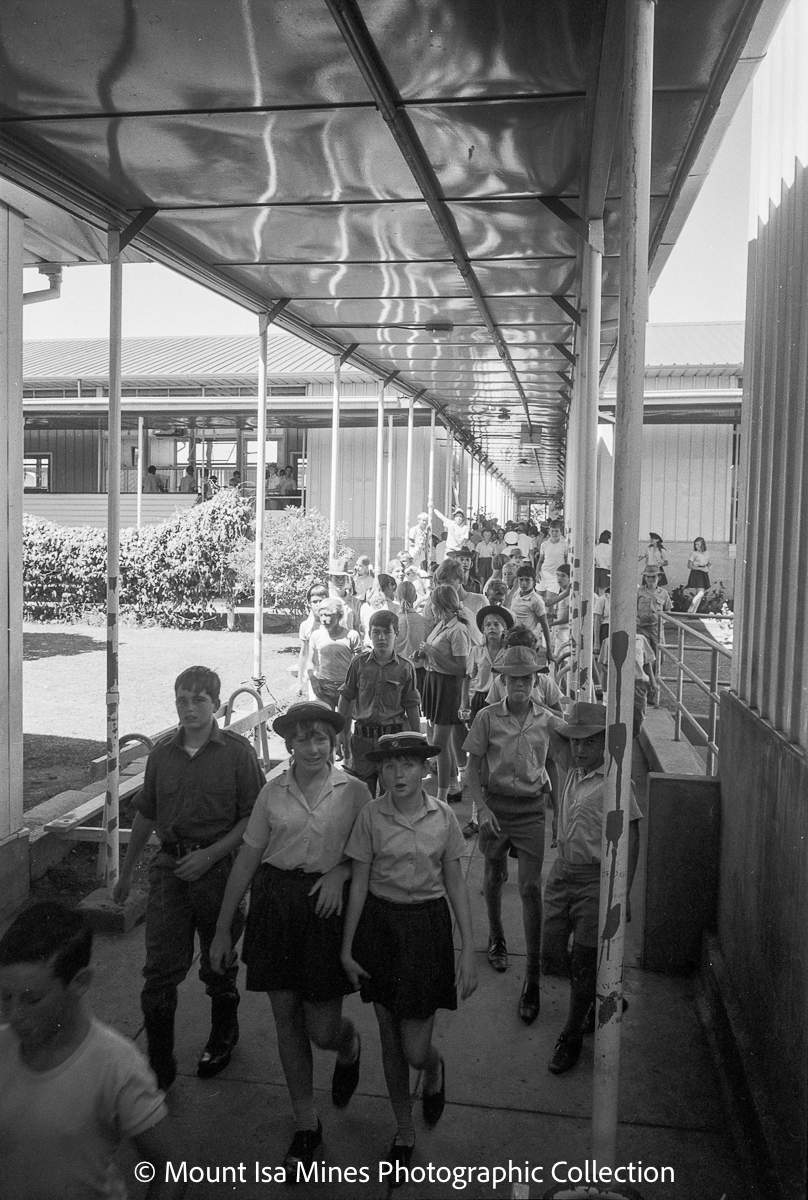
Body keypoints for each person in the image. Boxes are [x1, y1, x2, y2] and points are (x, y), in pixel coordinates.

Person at [209, 703, 370, 1174]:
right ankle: (306, 1122)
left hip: (325, 908)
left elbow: (370, 853)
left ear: (333, 743)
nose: (313, 747)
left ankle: (348, 1045)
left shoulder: (355, 792)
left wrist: (341, 871)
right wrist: (223, 929)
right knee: (286, 1019)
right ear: (289, 745)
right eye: (303, 739)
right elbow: (247, 859)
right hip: (276, 904)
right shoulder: (271, 792)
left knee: (321, 1028)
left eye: (321, 738)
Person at [113, 666, 264, 1090]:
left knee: (218, 962)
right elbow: (147, 811)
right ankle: (159, 1062)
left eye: (199, 700)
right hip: (171, 871)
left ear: (216, 705)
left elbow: (252, 816)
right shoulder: (162, 754)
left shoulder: (237, 753)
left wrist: (213, 854)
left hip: (219, 872)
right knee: (160, 970)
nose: (190, 708)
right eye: (182, 699)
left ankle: (223, 1035)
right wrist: (127, 873)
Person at [340, 732, 477, 1171]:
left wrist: (468, 949)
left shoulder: (443, 818)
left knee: (415, 1048)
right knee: (389, 1039)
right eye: (389, 766)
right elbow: (358, 884)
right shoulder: (369, 817)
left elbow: (455, 882)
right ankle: (404, 1130)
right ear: (379, 771)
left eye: (408, 765)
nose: (398, 774)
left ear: (426, 770)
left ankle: (433, 1071)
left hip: (425, 931)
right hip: (381, 928)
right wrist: (347, 947)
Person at [0, 902, 185, 1200]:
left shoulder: (118, 1067)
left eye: (30, 999)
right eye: (4, 996)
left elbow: (172, 1168)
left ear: (80, 983)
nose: (12, 1015)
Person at [464, 646, 563, 1023]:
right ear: (501, 681)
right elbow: (471, 771)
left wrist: (560, 813)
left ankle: (533, 978)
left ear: (535, 681)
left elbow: (553, 765)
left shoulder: (548, 720)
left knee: (530, 888)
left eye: (526, 678)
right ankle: (496, 936)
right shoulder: (487, 718)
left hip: (532, 810)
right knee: (494, 872)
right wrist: (482, 809)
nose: (519, 684)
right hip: (496, 808)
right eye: (512, 678)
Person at [542, 703, 642, 1075]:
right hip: (562, 873)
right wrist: (571, 725)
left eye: (589, 742)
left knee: (584, 960)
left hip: (592, 880)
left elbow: (631, 834)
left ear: (605, 742)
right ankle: (598, 992)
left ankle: (571, 1035)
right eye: (575, 742)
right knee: (550, 952)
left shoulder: (616, 781)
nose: (579, 749)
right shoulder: (571, 766)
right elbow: (553, 727)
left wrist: (623, 893)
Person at [337, 608, 421, 795]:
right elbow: (346, 697)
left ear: (396, 634)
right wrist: (341, 732)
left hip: (391, 742)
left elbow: (412, 705)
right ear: (369, 634)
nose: (381, 638)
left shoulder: (406, 668)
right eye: (376, 632)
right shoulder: (358, 664)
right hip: (362, 740)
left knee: (391, 795)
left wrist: (416, 740)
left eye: (387, 632)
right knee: (360, 793)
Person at [416, 584, 471, 803]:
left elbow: (461, 669)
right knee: (441, 740)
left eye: (434, 604)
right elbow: (434, 651)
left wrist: (432, 653)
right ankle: (453, 785)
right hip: (434, 681)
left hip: (448, 686)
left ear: (442, 605)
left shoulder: (458, 630)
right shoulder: (442, 625)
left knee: (439, 742)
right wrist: (424, 653)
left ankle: (442, 794)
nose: (431, 608)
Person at [307, 597, 362, 709]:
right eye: (321, 615)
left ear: (339, 616)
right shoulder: (316, 636)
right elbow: (310, 662)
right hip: (324, 688)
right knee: (324, 722)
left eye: (328, 615)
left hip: (345, 687)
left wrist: (356, 686)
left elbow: (359, 664)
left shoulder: (351, 636)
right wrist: (312, 679)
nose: (323, 619)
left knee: (344, 722)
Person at [508, 564, 554, 667]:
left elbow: (545, 625)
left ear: (533, 581)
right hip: (512, 639)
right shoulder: (516, 594)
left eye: (527, 580)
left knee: (526, 671)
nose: (524, 583)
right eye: (521, 580)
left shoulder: (536, 600)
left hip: (527, 642)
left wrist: (549, 650)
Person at [297, 582, 329, 698]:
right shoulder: (306, 626)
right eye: (315, 602)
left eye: (321, 600)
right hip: (314, 672)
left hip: (333, 671)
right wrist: (300, 681)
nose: (318, 605)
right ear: (309, 604)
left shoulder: (334, 624)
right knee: (316, 707)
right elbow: (303, 655)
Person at [636, 564, 672, 656]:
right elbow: (632, 609)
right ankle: (647, 671)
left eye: (653, 577)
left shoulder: (663, 593)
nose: (650, 579)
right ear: (644, 578)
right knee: (644, 654)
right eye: (648, 577)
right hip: (641, 628)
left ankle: (657, 670)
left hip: (656, 628)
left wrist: (662, 620)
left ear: (659, 577)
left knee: (660, 654)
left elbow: (668, 611)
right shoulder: (638, 591)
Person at [536, 523, 568, 601]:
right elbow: (540, 560)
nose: (554, 533)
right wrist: (537, 573)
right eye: (552, 531)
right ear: (549, 532)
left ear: (561, 532)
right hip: (543, 574)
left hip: (555, 577)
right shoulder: (544, 544)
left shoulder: (564, 545)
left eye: (556, 531)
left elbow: (566, 561)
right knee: (538, 601)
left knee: (550, 602)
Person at [594, 530, 611, 594]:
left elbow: (594, 561)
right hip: (608, 571)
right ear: (608, 539)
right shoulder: (611, 548)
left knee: (601, 592)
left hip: (598, 571)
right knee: (608, 592)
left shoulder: (596, 548)